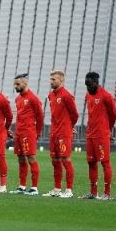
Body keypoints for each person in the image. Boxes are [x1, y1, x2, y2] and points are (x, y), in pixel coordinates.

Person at [44, 70, 79, 198]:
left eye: (54, 79)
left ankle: (69, 190)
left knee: (66, 160)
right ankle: (57, 189)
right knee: (55, 161)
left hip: (64, 132)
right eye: (51, 79)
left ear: (61, 80)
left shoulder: (66, 95)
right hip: (54, 132)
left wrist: (70, 126)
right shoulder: (51, 95)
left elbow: (74, 114)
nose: (51, 81)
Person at [83, 72, 116, 200]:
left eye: (90, 84)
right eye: (86, 85)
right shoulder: (88, 95)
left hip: (101, 134)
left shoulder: (106, 96)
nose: (88, 87)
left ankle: (107, 193)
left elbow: (113, 114)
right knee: (91, 163)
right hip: (90, 134)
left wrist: (108, 130)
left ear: (96, 82)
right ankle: (93, 192)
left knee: (105, 163)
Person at [11, 74, 44, 195]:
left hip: (28, 132)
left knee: (31, 158)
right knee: (20, 158)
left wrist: (38, 132)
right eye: (15, 84)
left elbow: (40, 117)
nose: (16, 86)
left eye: (18, 84)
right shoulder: (18, 98)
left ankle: (34, 188)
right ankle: (22, 186)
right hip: (19, 132)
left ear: (25, 84)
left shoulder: (33, 98)